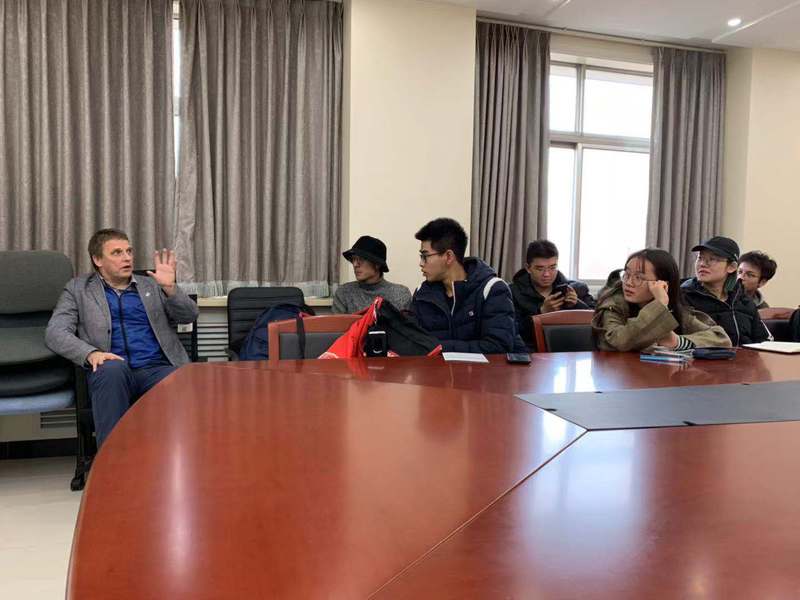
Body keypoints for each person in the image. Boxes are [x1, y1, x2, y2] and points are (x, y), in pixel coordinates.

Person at [45, 228, 199, 447]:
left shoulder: (151, 284)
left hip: (156, 367)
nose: (127, 258)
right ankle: (112, 460)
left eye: (129, 251)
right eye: (117, 253)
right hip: (112, 368)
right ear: (97, 260)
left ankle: (176, 458)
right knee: (111, 370)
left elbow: (189, 315)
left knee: (179, 378)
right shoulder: (78, 289)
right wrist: (91, 353)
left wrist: (170, 288)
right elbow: (55, 332)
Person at [410, 217, 526, 353]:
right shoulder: (423, 293)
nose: (421, 263)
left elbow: (497, 347)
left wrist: (438, 348)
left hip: (490, 367)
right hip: (440, 367)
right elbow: (415, 341)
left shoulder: (492, 289)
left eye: (425, 256)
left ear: (449, 256)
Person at [593, 248, 731, 352]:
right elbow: (618, 341)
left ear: (663, 284)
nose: (629, 283)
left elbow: (721, 338)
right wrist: (659, 304)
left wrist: (677, 341)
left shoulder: (675, 308)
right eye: (627, 275)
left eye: (639, 277)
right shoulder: (614, 303)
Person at [681, 236, 771, 346]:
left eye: (712, 259)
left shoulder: (744, 301)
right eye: (700, 258)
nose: (702, 264)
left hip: (745, 356)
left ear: (732, 267)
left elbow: (764, 342)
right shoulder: (684, 297)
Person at [510, 240, 595, 348]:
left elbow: (598, 322)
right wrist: (541, 313)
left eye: (552, 267)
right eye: (540, 269)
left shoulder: (578, 289)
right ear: (528, 268)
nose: (547, 274)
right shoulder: (512, 293)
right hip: (530, 353)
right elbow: (511, 332)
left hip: (572, 351)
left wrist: (577, 305)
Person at [332, 235, 412, 313]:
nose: (355, 264)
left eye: (361, 259)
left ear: (377, 264)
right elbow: (337, 322)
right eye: (353, 259)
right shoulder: (344, 293)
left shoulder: (400, 294)